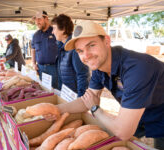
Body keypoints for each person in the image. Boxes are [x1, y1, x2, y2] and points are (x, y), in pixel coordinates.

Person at [45, 20, 164, 149]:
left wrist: (96, 109)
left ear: (106, 41)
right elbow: (87, 100)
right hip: (140, 113)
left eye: (91, 45)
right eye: (80, 51)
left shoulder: (137, 68)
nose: (86, 55)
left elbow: (123, 131)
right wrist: (58, 109)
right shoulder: (99, 66)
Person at [51, 14, 90, 96]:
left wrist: (80, 99)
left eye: (54, 28)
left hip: (75, 96)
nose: (52, 32)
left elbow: (83, 75)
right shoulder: (61, 46)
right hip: (67, 94)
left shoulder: (74, 48)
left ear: (63, 29)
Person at [31, 10, 58, 89]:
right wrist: (33, 63)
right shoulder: (35, 35)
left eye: (39, 19)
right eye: (36, 20)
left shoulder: (55, 31)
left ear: (46, 19)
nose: (37, 22)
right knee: (44, 90)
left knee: (55, 90)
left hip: (54, 68)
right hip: (41, 68)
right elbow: (33, 49)